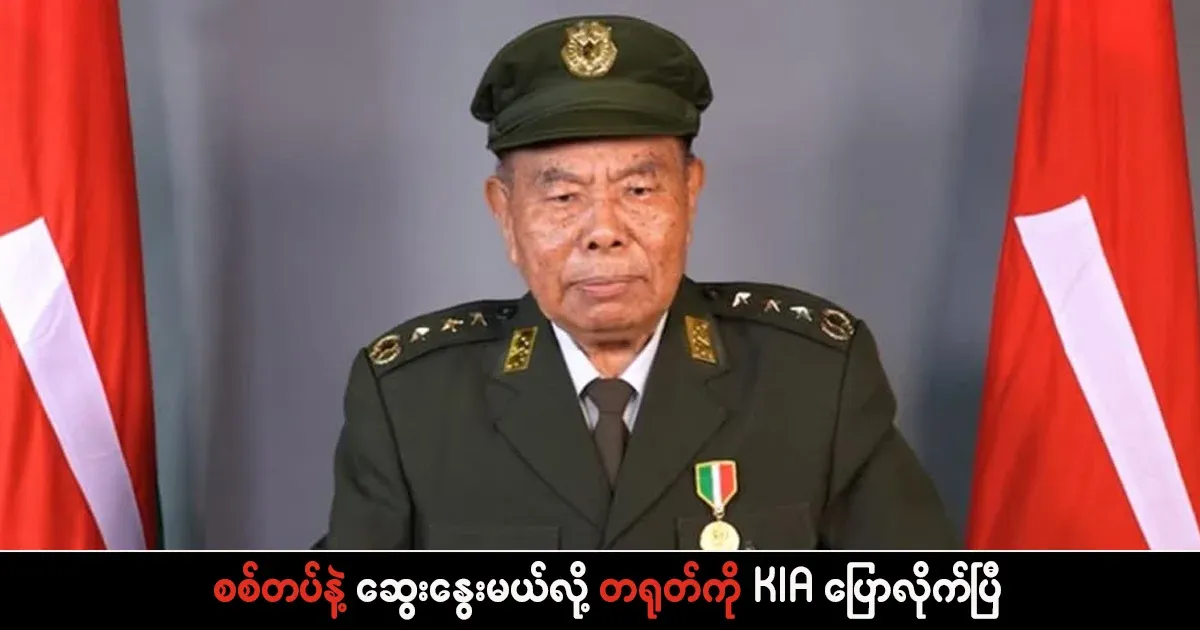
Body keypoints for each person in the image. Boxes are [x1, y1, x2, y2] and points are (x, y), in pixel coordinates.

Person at [325, 14, 958, 550]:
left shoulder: (814, 382)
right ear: (505, 214)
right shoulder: (410, 404)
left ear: (690, 193)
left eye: (638, 189)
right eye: (563, 196)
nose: (604, 231)